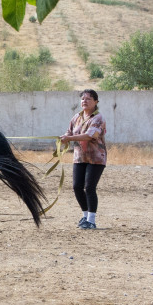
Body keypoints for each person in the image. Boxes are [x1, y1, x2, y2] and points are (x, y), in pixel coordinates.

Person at [60, 89, 107, 230]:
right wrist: (63, 139)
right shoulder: (76, 117)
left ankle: (91, 220)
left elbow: (90, 135)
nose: (84, 101)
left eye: (89, 99)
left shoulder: (98, 118)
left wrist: (69, 138)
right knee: (76, 187)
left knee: (90, 187)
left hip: (96, 158)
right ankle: (85, 216)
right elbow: (69, 132)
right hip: (80, 157)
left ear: (96, 102)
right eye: (83, 99)